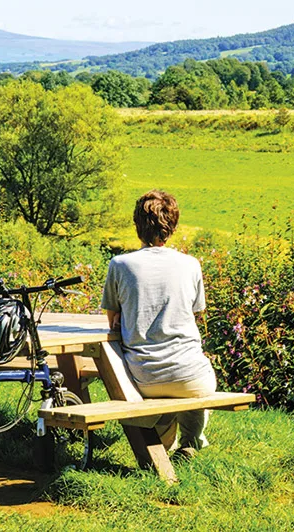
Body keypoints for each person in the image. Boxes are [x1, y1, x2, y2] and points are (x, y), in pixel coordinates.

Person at [100, 189, 216, 459]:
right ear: (172, 226)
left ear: (137, 225)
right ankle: (191, 442)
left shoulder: (120, 264)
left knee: (167, 391)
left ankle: (165, 432)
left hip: (145, 377)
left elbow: (113, 323)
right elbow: (194, 312)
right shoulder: (190, 264)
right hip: (192, 377)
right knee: (195, 372)